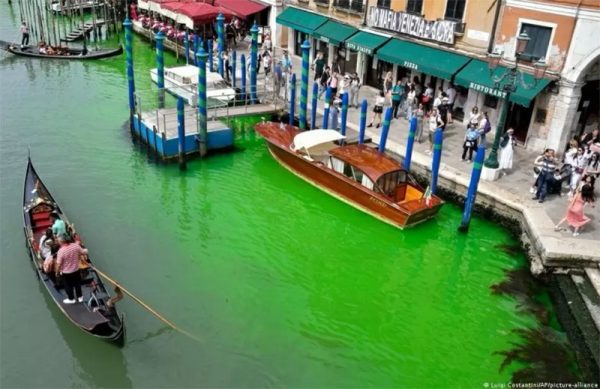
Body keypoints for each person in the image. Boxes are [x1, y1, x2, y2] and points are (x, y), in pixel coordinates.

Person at [56, 234, 88, 304]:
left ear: (62, 241)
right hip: (76, 270)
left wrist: (57, 273)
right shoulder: (75, 246)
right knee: (77, 284)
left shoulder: (61, 251)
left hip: (66, 273)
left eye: (58, 240)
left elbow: (58, 264)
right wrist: (86, 250)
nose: (58, 241)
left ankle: (71, 299)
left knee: (68, 286)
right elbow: (83, 252)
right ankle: (80, 297)